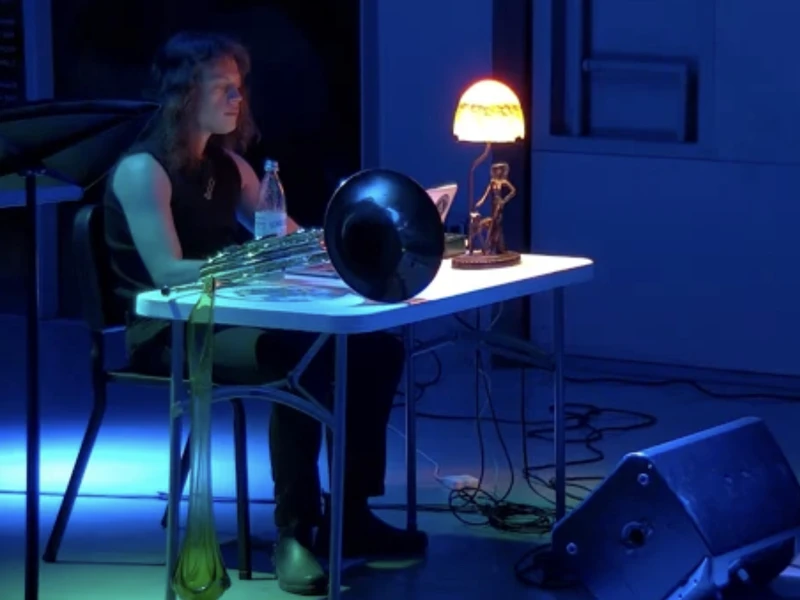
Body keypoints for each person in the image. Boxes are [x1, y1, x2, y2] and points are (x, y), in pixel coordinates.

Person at [104, 31, 427, 596]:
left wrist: (356, 247)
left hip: (225, 321)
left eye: (239, 87)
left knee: (374, 348)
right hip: (170, 333)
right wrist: (248, 261)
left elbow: (294, 238)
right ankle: (295, 533)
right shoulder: (142, 170)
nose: (237, 99)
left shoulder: (230, 167)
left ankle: (349, 517)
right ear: (184, 94)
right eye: (223, 87)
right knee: (297, 356)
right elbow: (165, 271)